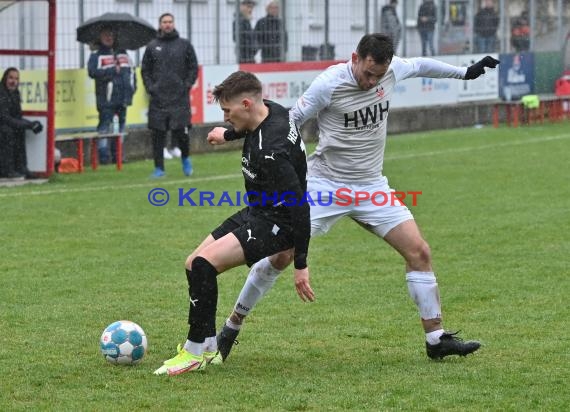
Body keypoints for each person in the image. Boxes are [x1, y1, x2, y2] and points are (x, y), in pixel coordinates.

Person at [215, 34, 499, 363]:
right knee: (281, 256)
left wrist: (465, 73)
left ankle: (436, 339)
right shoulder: (329, 84)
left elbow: (421, 65)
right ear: (355, 58)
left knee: (419, 251)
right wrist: (235, 132)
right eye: (367, 73)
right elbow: (286, 120)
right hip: (326, 185)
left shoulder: (391, 71)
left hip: (372, 187)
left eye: (379, 75)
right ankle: (231, 328)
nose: (372, 81)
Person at [153, 71, 312, 376]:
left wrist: (300, 263)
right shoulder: (272, 110)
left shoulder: (272, 150)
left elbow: (300, 204)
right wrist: (227, 135)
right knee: (192, 263)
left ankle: (194, 351)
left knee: (203, 264)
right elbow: (253, 127)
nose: (225, 117)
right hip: (257, 210)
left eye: (227, 112)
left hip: (278, 222)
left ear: (247, 103)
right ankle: (210, 345)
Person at [141, 12, 198, 178]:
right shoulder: (152, 46)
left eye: (170, 22)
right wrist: (151, 88)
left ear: (173, 24)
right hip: (158, 98)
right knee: (158, 134)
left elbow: (193, 67)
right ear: (160, 25)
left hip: (179, 97)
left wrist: (185, 85)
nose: (167, 24)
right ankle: (159, 168)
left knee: (182, 132)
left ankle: (186, 160)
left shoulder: (184, 45)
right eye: (164, 22)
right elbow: (145, 70)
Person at [87, 29, 136, 165]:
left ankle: (118, 156)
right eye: (105, 35)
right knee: (104, 127)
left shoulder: (123, 54)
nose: (109, 37)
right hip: (106, 99)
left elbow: (132, 72)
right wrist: (112, 70)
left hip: (123, 97)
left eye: (111, 34)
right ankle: (103, 157)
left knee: (121, 126)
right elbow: (92, 72)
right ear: (100, 37)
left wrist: (132, 89)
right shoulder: (96, 55)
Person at [0, 67, 43, 179]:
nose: (13, 81)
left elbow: (17, 117)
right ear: (5, 78)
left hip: (5, 124)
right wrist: (28, 125)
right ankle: (7, 170)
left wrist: (32, 124)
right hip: (3, 126)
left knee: (19, 130)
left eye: (16, 79)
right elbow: (5, 118)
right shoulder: (1, 93)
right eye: (10, 78)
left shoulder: (15, 93)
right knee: (7, 131)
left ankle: (21, 168)